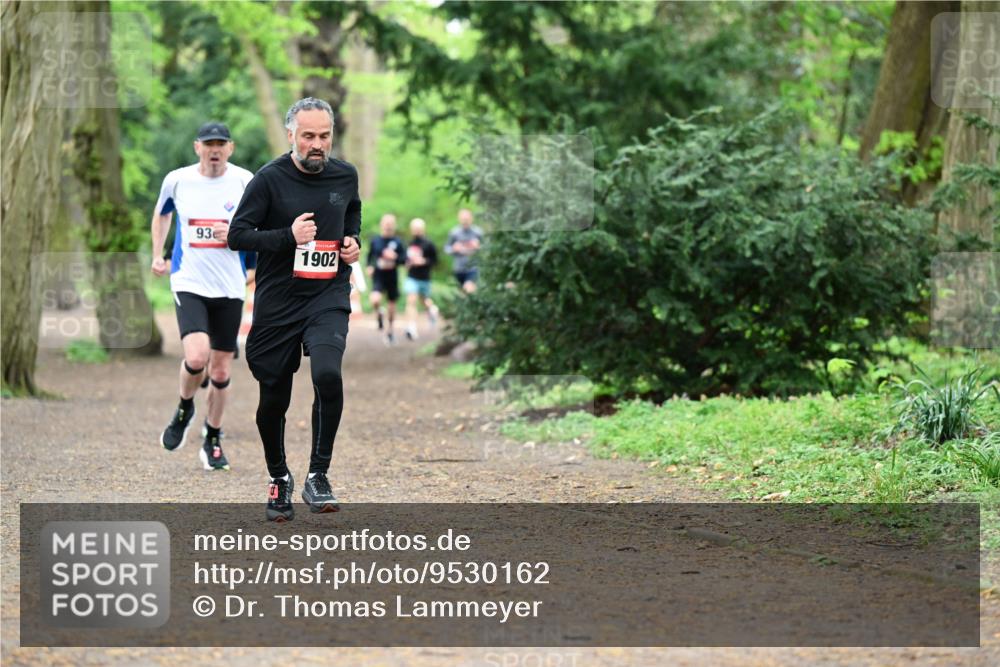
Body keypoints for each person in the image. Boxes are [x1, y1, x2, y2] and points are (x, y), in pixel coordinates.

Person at [228, 97, 362, 522]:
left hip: (327, 295)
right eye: (308, 136)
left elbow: (352, 212)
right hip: (279, 302)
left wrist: (352, 242)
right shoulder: (268, 180)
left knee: (327, 372)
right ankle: (279, 476)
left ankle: (318, 474)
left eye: (324, 136)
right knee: (274, 398)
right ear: (291, 136)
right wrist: (287, 235)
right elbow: (238, 236)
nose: (317, 144)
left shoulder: (345, 174)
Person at [151, 121, 255, 471]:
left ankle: (212, 436)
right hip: (189, 280)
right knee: (197, 357)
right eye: (208, 143)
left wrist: (242, 243)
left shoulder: (246, 181)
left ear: (230, 148)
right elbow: (162, 214)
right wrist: (157, 252)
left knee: (221, 369)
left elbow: (260, 224)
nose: (214, 149)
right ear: (197, 147)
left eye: (220, 144)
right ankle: (184, 407)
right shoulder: (177, 180)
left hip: (229, 285)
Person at [366, 213, 405, 345]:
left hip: (392, 276)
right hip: (379, 275)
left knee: (391, 306)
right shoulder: (376, 240)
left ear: (394, 225)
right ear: (381, 225)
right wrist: (369, 267)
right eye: (386, 223)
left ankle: (390, 332)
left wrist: (395, 257)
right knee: (375, 300)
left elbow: (404, 260)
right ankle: (379, 313)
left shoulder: (398, 242)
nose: (388, 225)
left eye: (390, 223)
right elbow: (370, 256)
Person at [403, 217, 439, 341]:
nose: (416, 231)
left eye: (418, 228)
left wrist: (423, 261)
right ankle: (411, 327)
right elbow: (405, 259)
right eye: (414, 228)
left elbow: (435, 261)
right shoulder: (410, 243)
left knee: (424, 301)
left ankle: (432, 309)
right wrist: (408, 263)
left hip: (424, 277)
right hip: (412, 277)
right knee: (411, 300)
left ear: (423, 229)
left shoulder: (429, 244)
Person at [445, 208, 484, 293]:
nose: (465, 221)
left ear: (471, 218)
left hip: (473, 267)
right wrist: (453, 249)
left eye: (467, 219)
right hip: (458, 268)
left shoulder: (478, 232)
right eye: (463, 219)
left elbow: (488, 249)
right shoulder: (454, 233)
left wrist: (478, 246)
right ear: (459, 219)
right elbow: (446, 249)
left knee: (469, 288)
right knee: (463, 294)